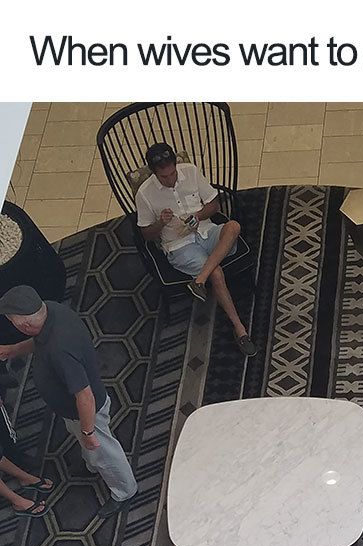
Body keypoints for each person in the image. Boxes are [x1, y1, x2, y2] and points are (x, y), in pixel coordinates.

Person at [0, 285, 137, 518]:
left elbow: (84, 395)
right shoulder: (50, 312)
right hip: (72, 409)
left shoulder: (60, 349)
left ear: (24, 325)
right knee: (93, 450)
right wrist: (13, 350)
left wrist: (88, 431)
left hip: (84, 412)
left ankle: (125, 491)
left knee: (105, 452)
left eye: (10, 320)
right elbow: (40, 341)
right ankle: (92, 463)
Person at [135, 142, 257, 357]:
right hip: (179, 245)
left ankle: (199, 280)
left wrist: (198, 215)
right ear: (154, 174)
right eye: (164, 177)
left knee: (233, 227)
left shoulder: (190, 171)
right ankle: (240, 329)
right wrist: (161, 223)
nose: (171, 180)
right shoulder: (145, 194)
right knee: (216, 273)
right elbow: (146, 234)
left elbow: (214, 204)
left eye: (172, 173)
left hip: (204, 229)